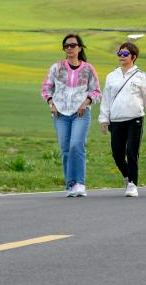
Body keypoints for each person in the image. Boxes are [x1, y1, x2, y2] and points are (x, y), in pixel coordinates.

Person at [42, 33, 101, 197]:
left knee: (76, 145)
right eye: (66, 46)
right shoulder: (56, 67)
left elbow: (96, 91)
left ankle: (80, 183)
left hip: (80, 113)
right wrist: (51, 103)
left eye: (73, 45)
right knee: (65, 149)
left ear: (79, 48)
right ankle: (71, 184)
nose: (69, 48)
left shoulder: (88, 69)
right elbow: (46, 88)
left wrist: (86, 102)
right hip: (60, 114)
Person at [98, 41, 146, 197]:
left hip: (135, 119)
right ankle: (126, 176)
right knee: (117, 154)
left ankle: (132, 183)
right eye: (120, 53)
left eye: (125, 54)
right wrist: (104, 119)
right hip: (116, 120)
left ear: (133, 57)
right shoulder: (112, 76)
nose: (121, 56)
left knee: (131, 152)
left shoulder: (141, 76)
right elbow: (106, 99)